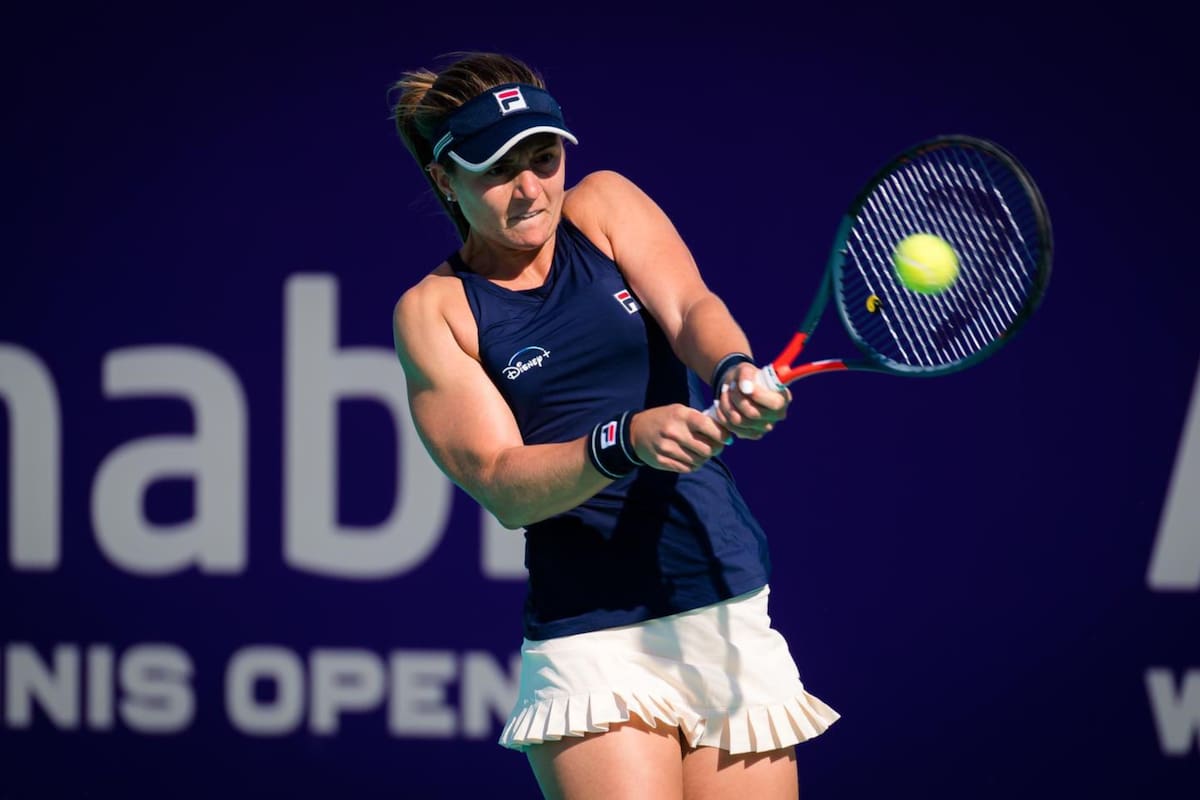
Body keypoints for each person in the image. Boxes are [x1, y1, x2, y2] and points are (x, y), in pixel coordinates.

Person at [390, 51, 838, 799]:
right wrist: (622, 440)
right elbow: (504, 486)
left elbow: (692, 307)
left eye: (542, 158)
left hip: (722, 593)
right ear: (447, 181)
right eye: (499, 171)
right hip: (592, 630)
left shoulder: (604, 205)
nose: (531, 189)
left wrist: (731, 368)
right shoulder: (434, 311)